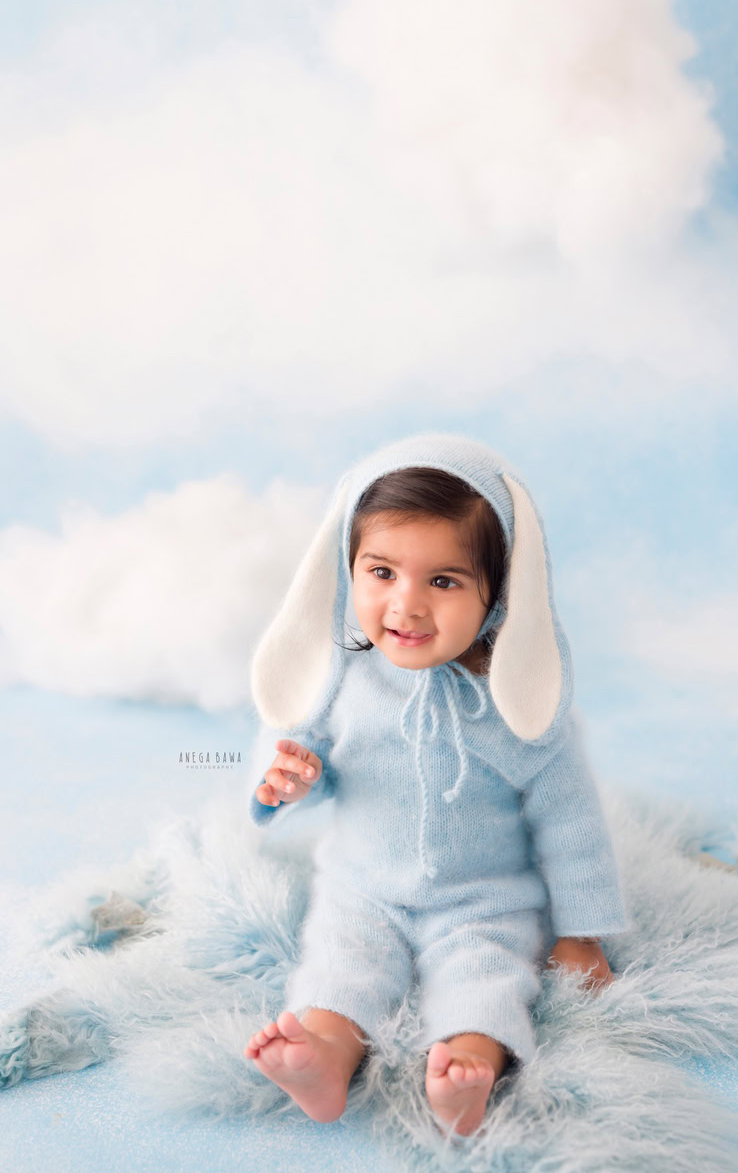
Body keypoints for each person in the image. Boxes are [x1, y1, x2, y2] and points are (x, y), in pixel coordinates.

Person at [241, 432, 630, 1140]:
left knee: (487, 975)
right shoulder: (346, 680)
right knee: (338, 967)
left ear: (500, 592)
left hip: (484, 895)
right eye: (382, 572)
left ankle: (464, 1075)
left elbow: (571, 824)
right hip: (364, 887)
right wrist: (286, 779)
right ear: (348, 568)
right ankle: (324, 1060)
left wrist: (580, 931)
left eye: (444, 581)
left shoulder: (516, 704)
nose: (406, 605)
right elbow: (295, 739)